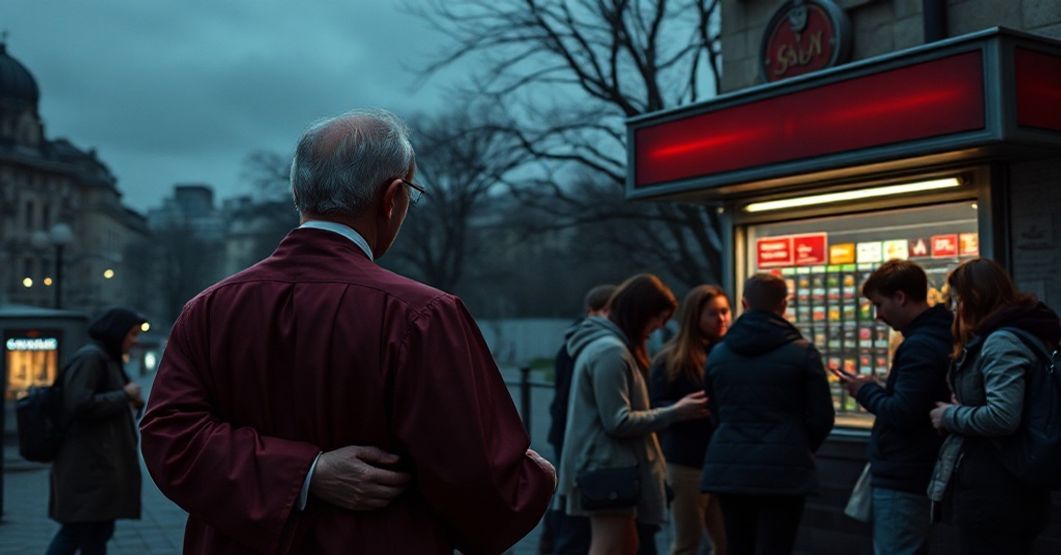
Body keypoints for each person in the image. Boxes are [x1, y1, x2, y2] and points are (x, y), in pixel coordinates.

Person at [139, 109, 555, 554]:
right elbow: (474, 481)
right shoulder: (422, 315)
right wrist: (537, 479)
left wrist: (303, 474)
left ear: (298, 192)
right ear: (392, 197)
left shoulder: (207, 309)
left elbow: (171, 438)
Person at [558, 274, 709, 555]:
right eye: (658, 318)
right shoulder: (611, 352)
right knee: (611, 546)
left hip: (608, 466)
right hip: (609, 467)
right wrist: (676, 412)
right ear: (641, 313)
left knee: (625, 545)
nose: (659, 327)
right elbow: (617, 421)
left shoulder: (608, 348)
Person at [927, 258, 1060, 555]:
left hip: (999, 489)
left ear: (973, 298)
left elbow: (1002, 416)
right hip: (1008, 486)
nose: (952, 308)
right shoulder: (1017, 332)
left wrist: (949, 415)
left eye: (956, 299)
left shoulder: (1001, 341)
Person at [700, 273, 835, 555]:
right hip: (784, 469)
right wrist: (796, 444)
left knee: (738, 546)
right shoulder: (803, 352)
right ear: (784, 305)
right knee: (777, 546)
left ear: (744, 304)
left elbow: (714, 410)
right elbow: (822, 416)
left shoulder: (719, 354)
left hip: (730, 466)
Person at [831, 260, 952, 555]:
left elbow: (902, 413)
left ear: (900, 297)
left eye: (879, 304)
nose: (878, 315)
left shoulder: (919, 345)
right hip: (917, 471)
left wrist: (864, 390)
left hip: (904, 476)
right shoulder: (937, 335)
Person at [47, 307, 147, 555]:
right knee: (77, 531)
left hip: (99, 465)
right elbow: (78, 402)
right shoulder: (91, 358)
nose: (135, 341)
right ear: (117, 332)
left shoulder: (107, 358)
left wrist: (129, 398)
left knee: (98, 531)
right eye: (133, 334)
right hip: (88, 466)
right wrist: (123, 395)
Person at [650, 285, 731, 555]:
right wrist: (680, 409)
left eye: (725, 311)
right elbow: (653, 406)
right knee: (687, 542)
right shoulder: (672, 359)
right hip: (686, 462)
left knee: (727, 542)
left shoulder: (732, 354)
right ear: (695, 317)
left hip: (724, 461)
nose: (721, 319)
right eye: (712, 313)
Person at [544, 283, 615, 555]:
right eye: (606, 310)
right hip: (571, 436)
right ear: (591, 312)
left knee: (568, 504)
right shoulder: (578, 347)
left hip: (569, 434)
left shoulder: (579, 344)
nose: (610, 317)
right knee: (570, 506)